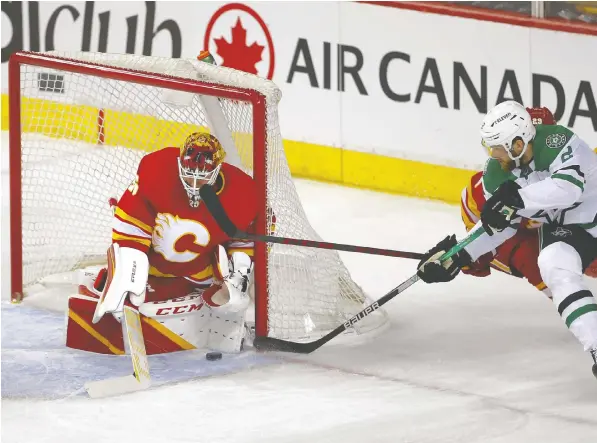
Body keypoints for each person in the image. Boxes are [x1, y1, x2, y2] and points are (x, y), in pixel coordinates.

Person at [418, 101, 597, 379]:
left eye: (498, 147)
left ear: (518, 143)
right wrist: (458, 254)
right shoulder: (495, 174)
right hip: (570, 231)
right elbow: (498, 228)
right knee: (553, 264)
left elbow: (568, 189)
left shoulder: (559, 141)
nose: (493, 154)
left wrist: (517, 198)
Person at [74, 132, 258, 354]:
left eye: (202, 176)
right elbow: (131, 223)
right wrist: (127, 272)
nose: (194, 182)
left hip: (198, 271)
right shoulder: (157, 172)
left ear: (218, 169)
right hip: (153, 263)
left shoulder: (241, 192)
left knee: (232, 299)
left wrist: (238, 275)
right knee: (124, 282)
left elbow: (244, 239)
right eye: (189, 174)